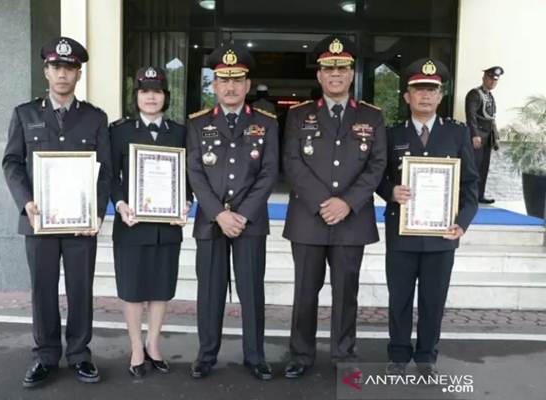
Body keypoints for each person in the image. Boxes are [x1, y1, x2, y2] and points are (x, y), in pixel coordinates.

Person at [2, 36, 112, 387]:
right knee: (43, 289)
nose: (62, 74)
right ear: (46, 70)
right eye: (55, 67)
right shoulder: (25, 113)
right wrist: (26, 202)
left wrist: (97, 212)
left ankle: (80, 354)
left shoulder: (95, 118)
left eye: (69, 68)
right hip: (39, 220)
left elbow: (106, 170)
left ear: (78, 74)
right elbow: (12, 163)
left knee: (80, 288)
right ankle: (46, 356)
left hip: (80, 223)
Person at [282, 35, 387, 378]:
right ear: (319, 77)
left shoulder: (372, 117)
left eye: (342, 68)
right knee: (305, 292)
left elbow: (377, 165)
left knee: (347, 293)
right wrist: (322, 202)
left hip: (351, 220)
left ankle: (343, 353)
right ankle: (301, 354)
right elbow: (292, 163)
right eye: (329, 69)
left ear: (352, 73)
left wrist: (347, 202)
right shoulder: (299, 115)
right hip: (309, 219)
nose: (336, 75)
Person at [376, 58, 479, 378]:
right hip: (402, 235)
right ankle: (397, 354)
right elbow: (376, 176)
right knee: (400, 299)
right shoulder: (391, 134)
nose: (425, 95)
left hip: (442, 236)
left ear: (440, 95)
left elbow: (471, 185)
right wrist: (390, 192)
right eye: (418, 89)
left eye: (432, 90)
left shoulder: (457, 134)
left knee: (433, 302)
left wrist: (461, 223)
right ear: (406, 96)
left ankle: (426, 358)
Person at [186, 43, 279, 380]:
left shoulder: (266, 123)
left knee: (252, 291)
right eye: (223, 79)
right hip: (211, 222)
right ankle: (206, 354)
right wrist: (219, 214)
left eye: (237, 79)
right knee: (209, 292)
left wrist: (241, 214)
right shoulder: (197, 124)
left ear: (247, 85)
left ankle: (255, 356)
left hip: (250, 223)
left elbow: (269, 172)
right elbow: (194, 171)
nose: (230, 86)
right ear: (214, 84)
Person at [109, 66, 192, 378]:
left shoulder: (181, 132)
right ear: (137, 97)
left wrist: (187, 200)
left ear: (165, 97)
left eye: (157, 91)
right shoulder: (118, 131)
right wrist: (119, 203)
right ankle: (135, 347)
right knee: (132, 290)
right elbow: (110, 176)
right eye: (145, 91)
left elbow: (189, 175)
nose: (151, 97)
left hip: (166, 227)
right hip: (131, 224)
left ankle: (154, 345)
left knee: (160, 289)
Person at [464, 66, 504, 204]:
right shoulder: (475, 94)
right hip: (478, 135)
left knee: (483, 168)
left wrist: (495, 137)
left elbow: (491, 118)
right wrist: (474, 134)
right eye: (490, 79)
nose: (493, 82)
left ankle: (479, 195)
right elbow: (471, 116)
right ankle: (469, 197)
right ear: (484, 78)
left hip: (487, 136)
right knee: (473, 168)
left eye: (495, 80)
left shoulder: (490, 96)